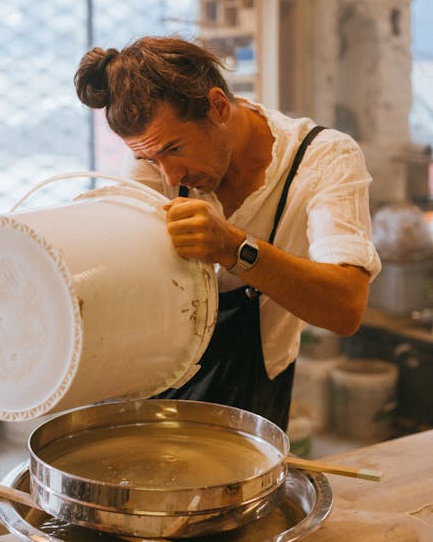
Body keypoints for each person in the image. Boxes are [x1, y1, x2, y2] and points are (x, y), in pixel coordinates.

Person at [74, 36, 381, 430]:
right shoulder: (156, 163)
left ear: (218, 107)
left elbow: (347, 308)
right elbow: (114, 247)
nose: (170, 175)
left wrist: (235, 248)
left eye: (174, 149)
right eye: (149, 158)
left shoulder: (323, 160)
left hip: (253, 386)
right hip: (158, 373)